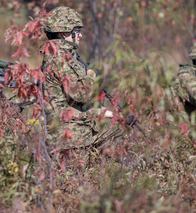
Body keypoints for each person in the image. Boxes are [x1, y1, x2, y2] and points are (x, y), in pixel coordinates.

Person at [42, 6, 131, 150]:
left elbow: (75, 103)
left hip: (72, 125)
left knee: (116, 126)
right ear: (64, 33)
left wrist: (112, 113)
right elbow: (81, 94)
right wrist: (91, 74)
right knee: (118, 132)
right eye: (76, 32)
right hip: (68, 132)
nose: (80, 36)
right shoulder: (59, 59)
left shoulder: (62, 56)